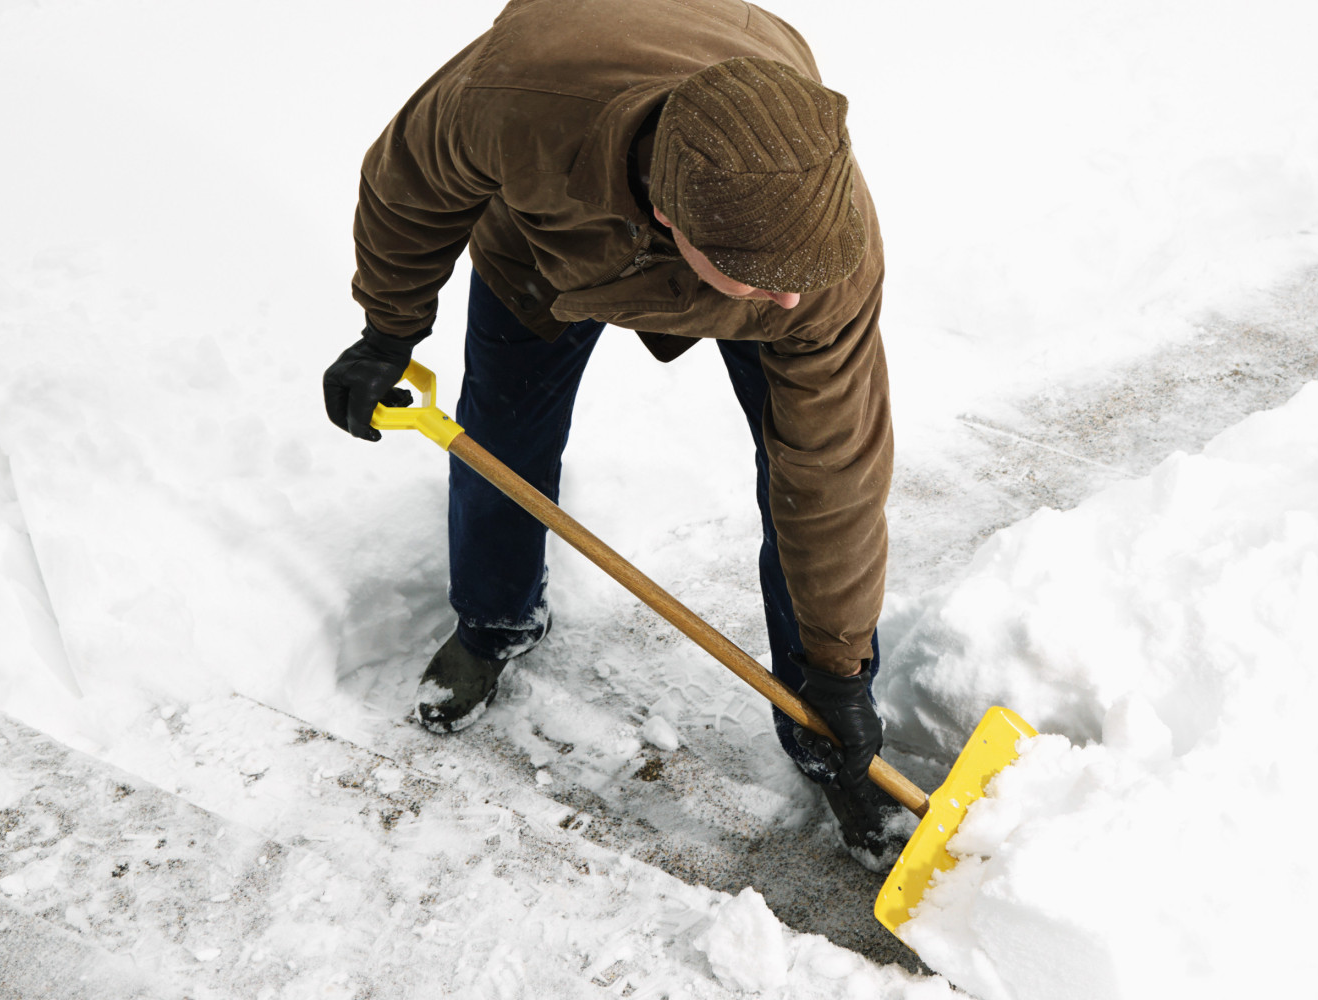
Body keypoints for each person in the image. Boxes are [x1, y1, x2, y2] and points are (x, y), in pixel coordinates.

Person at [319, 0, 904, 863]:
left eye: (797, 281)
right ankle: (494, 624)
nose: (788, 298)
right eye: (762, 281)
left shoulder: (815, 271)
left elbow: (833, 478)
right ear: (673, 222)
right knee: (501, 434)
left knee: (800, 479)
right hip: (544, 251)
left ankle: (820, 723)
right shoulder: (516, 97)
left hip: (741, 187)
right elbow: (407, 188)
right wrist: (388, 331)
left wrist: (841, 669)